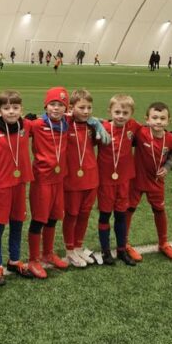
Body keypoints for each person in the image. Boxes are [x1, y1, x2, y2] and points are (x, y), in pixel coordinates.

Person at [0, 90, 35, 285]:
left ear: (21, 109)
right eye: (6, 108)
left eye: (15, 107)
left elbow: (58, 118)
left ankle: (14, 260)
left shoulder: (27, 126)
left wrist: (96, 122)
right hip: (1, 186)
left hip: (20, 183)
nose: (11, 111)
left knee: (17, 223)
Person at [125, 102, 172, 261]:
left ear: (168, 121)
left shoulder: (171, 139)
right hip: (136, 180)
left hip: (156, 181)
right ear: (147, 119)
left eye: (162, 118)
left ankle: (163, 243)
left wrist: (168, 167)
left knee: (159, 210)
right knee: (129, 209)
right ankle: (124, 243)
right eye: (154, 117)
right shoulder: (141, 132)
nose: (158, 121)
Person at [26, 87, 70, 278]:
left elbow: (87, 117)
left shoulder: (67, 123)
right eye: (52, 104)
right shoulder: (36, 125)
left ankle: (48, 253)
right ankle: (33, 259)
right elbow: (15, 127)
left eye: (60, 105)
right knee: (39, 219)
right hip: (42, 180)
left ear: (66, 108)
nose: (56, 108)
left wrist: (97, 122)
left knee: (53, 217)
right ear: (46, 106)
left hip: (59, 180)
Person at [96, 94, 141, 266]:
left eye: (125, 113)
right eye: (117, 112)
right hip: (105, 181)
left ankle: (122, 250)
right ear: (110, 111)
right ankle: (106, 251)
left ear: (131, 114)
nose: (121, 116)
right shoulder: (102, 127)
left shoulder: (133, 126)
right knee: (105, 216)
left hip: (124, 180)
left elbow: (150, 128)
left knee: (121, 215)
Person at [62, 89, 106, 267]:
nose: (86, 111)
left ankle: (78, 247)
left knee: (85, 214)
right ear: (71, 108)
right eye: (82, 107)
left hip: (91, 178)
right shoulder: (65, 123)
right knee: (71, 214)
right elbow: (50, 115)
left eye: (89, 107)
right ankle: (69, 250)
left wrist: (98, 122)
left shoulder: (92, 126)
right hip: (72, 180)